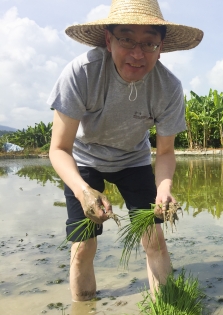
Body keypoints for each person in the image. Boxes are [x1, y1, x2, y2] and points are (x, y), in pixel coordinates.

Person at [47, 0, 203, 302]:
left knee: (154, 239)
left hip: (134, 159)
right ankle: (84, 306)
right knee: (83, 247)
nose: (137, 54)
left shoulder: (168, 87)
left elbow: (166, 152)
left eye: (149, 43)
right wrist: (83, 191)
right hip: (84, 160)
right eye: (127, 39)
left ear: (161, 47)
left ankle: (166, 305)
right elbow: (59, 149)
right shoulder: (82, 73)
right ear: (108, 39)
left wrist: (165, 187)